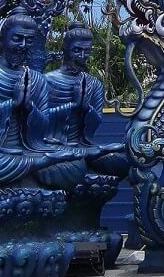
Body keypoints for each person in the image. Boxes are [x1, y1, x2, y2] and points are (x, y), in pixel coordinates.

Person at [0, 9, 81, 194]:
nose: (23, 45)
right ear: (3, 39)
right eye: (17, 38)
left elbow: (43, 129)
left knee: (75, 165)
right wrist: (12, 104)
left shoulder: (37, 79)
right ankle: (33, 167)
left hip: (28, 150)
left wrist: (29, 108)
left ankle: (32, 166)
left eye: (29, 40)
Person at [44, 23, 128, 178]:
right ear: (65, 49)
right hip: (53, 147)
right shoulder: (48, 81)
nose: (82, 56)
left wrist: (86, 109)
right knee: (71, 165)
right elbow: (39, 120)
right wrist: (72, 106)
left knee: (122, 158)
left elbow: (95, 123)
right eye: (77, 50)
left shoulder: (94, 83)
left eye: (87, 51)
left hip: (83, 147)